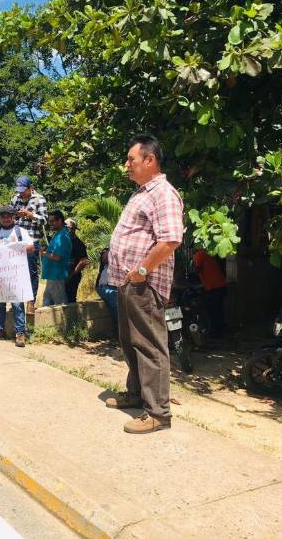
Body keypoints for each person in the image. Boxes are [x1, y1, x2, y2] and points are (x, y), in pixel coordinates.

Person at [105, 134, 183, 435]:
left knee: (150, 346)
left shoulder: (163, 193)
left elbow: (171, 239)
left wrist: (141, 269)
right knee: (130, 342)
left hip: (144, 283)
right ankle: (137, 394)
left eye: (131, 160)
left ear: (149, 160)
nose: (127, 165)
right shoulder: (143, 192)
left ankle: (158, 413)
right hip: (130, 282)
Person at [0, 205, 35, 347]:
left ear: (13, 217)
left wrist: (15, 247)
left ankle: (20, 334)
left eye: (8, 216)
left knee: (17, 304)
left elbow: (31, 248)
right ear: (0, 218)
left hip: (15, 277)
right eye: (3, 216)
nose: (5, 219)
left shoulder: (20, 231)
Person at [11, 175, 47, 313]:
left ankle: (31, 301)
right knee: (16, 272)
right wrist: (15, 215)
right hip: (16, 241)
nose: (20, 193)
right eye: (18, 190)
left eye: (23, 190)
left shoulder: (39, 199)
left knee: (31, 272)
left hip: (31, 241)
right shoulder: (15, 199)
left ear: (30, 188)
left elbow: (44, 220)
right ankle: (17, 302)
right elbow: (10, 217)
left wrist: (29, 215)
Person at [193, 248, 227, 339]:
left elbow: (198, 269)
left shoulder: (199, 254)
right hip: (219, 285)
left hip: (214, 286)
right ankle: (219, 332)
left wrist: (191, 275)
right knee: (218, 310)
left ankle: (215, 333)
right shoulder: (207, 252)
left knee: (213, 310)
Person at [40, 210, 72, 307]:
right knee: (46, 302)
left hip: (57, 275)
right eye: (49, 221)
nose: (50, 224)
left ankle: (66, 322)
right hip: (52, 275)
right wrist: (46, 250)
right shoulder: (58, 235)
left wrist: (43, 253)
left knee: (60, 304)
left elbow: (57, 257)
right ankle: (45, 322)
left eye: (52, 221)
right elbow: (54, 252)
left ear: (60, 221)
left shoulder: (63, 236)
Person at [64, 218, 88, 302]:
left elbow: (83, 261)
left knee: (70, 300)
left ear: (74, 229)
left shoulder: (79, 244)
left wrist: (71, 274)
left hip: (73, 277)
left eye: (69, 228)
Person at [96, 247, 118, 322]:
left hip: (122, 286)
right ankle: (120, 330)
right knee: (115, 300)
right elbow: (105, 259)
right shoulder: (108, 249)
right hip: (106, 286)